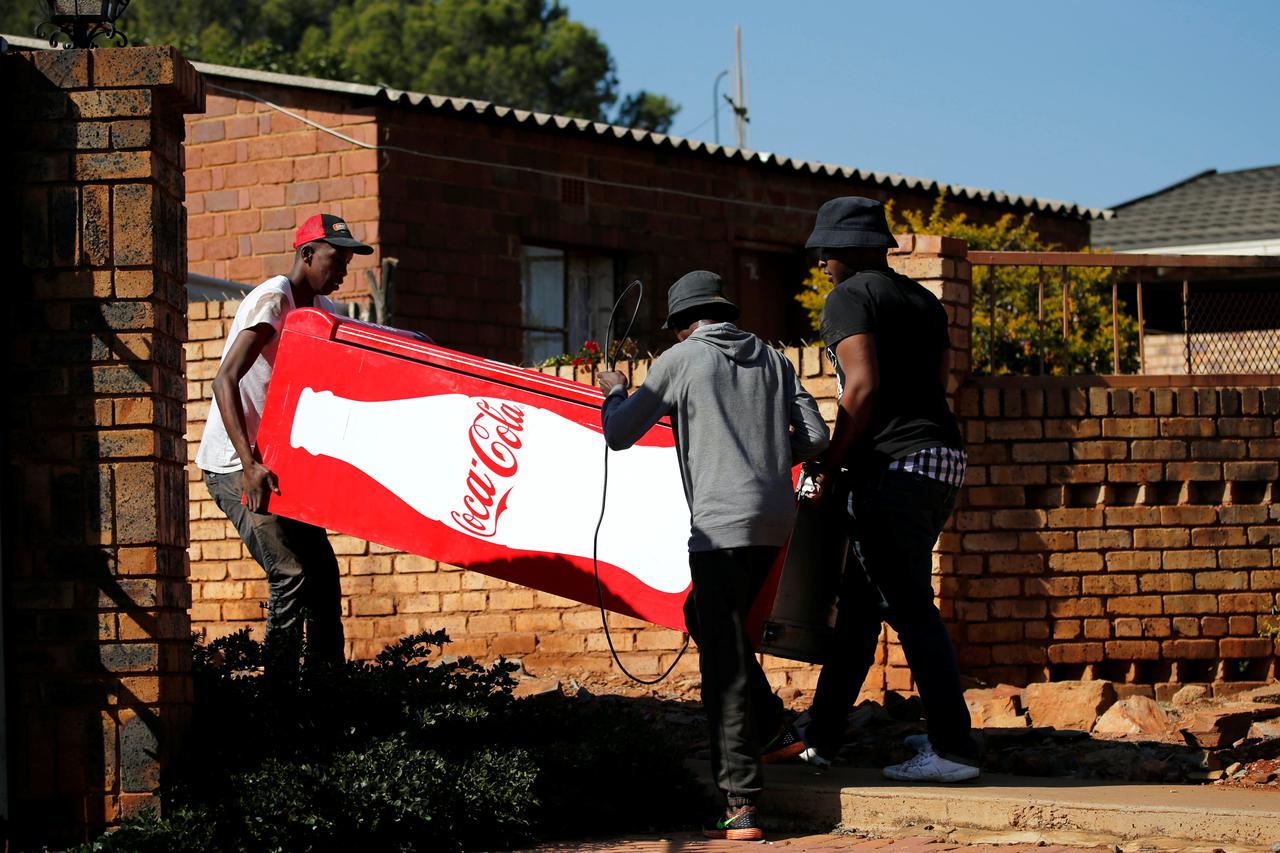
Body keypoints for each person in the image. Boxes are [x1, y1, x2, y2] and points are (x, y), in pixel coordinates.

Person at [597, 271, 830, 841]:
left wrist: (614, 388)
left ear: (682, 325)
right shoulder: (774, 361)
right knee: (703, 617)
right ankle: (773, 728)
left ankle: (742, 802)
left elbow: (619, 433)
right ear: (725, 312)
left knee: (723, 661)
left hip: (721, 528)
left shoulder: (682, 361)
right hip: (774, 522)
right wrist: (772, 452)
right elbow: (818, 437)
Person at [792, 197, 980, 782]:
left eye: (826, 250)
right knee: (858, 613)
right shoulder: (923, 301)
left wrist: (828, 463)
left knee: (909, 609)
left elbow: (863, 387)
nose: (821, 262)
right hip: (940, 459)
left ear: (846, 251)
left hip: (893, 469)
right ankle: (822, 737)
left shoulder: (850, 297)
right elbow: (941, 381)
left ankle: (953, 751)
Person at [196, 213, 373, 668]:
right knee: (290, 573)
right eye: (336, 260)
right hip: (236, 465)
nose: (342, 272)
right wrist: (249, 464)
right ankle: (277, 706)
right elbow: (224, 382)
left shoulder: (323, 313)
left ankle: (324, 696)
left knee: (324, 576)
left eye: (348, 264)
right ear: (307, 254)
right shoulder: (273, 300)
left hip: (279, 466)